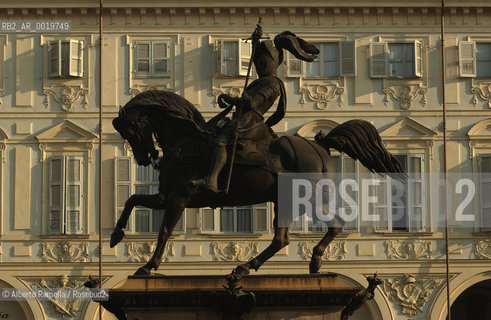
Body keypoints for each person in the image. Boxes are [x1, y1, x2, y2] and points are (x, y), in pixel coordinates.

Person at [192, 27, 319, 193]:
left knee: (220, 142)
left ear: (273, 63)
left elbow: (252, 102)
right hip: (243, 119)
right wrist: (255, 42)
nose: (259, 65)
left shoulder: (272, 83)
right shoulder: (262, 81)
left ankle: (211, 180)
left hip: (250, 122)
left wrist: (232, 99)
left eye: (263, 62)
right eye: (258, 63)